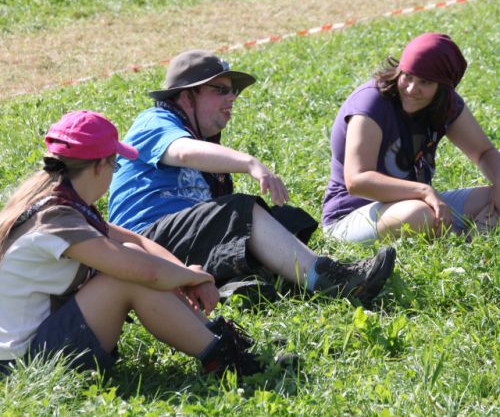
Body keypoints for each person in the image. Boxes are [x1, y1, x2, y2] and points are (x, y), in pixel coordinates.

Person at [108, 49, 396, 304]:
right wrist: (249, 163)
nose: (232, 97)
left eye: (233, 90)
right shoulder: (155, 120)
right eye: (220, 89)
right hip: (145, 242)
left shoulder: (201, 140)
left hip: (185, 241)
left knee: (286, 221)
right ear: (187, 96)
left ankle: (238, 286)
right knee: (240, 212)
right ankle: (333, 280)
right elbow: (182, 153)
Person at [0, 110, 268, 378]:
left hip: (38, 347)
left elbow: (136, 240)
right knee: (126, 278)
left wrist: (186, 275)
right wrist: (193, 276)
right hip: (23, 366)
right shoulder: (56, 218)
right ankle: (224, 360)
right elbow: (147, 272)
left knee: (135, 259)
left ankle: (217, 339)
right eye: (115, 165)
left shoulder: (60, 203)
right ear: (99, 166)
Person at [322, 32, 500, 244]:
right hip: (350, 216)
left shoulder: (446, 104)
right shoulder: (371, 103)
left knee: (491, 194)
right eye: (407, 76)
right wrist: (424, 191)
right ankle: (470, 237)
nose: (411, 89)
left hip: (418, 202)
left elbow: (484, 152)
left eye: (425, 82)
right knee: (420, 215)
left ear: (442, 87)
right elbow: (357, 181)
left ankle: (473, 231)